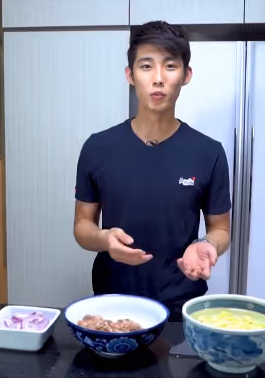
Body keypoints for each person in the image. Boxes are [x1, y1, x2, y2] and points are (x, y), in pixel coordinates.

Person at [73, 21, 231, 316]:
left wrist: (207, 244)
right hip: (112, 300)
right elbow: (82, 226)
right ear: (130, 75)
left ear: (186, 75)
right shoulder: (98, 147)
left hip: (181, 303)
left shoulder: (209, 152)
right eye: (146, 66)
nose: (158, 78)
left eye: (170, 66)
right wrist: (105, 239)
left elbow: (221, 228)